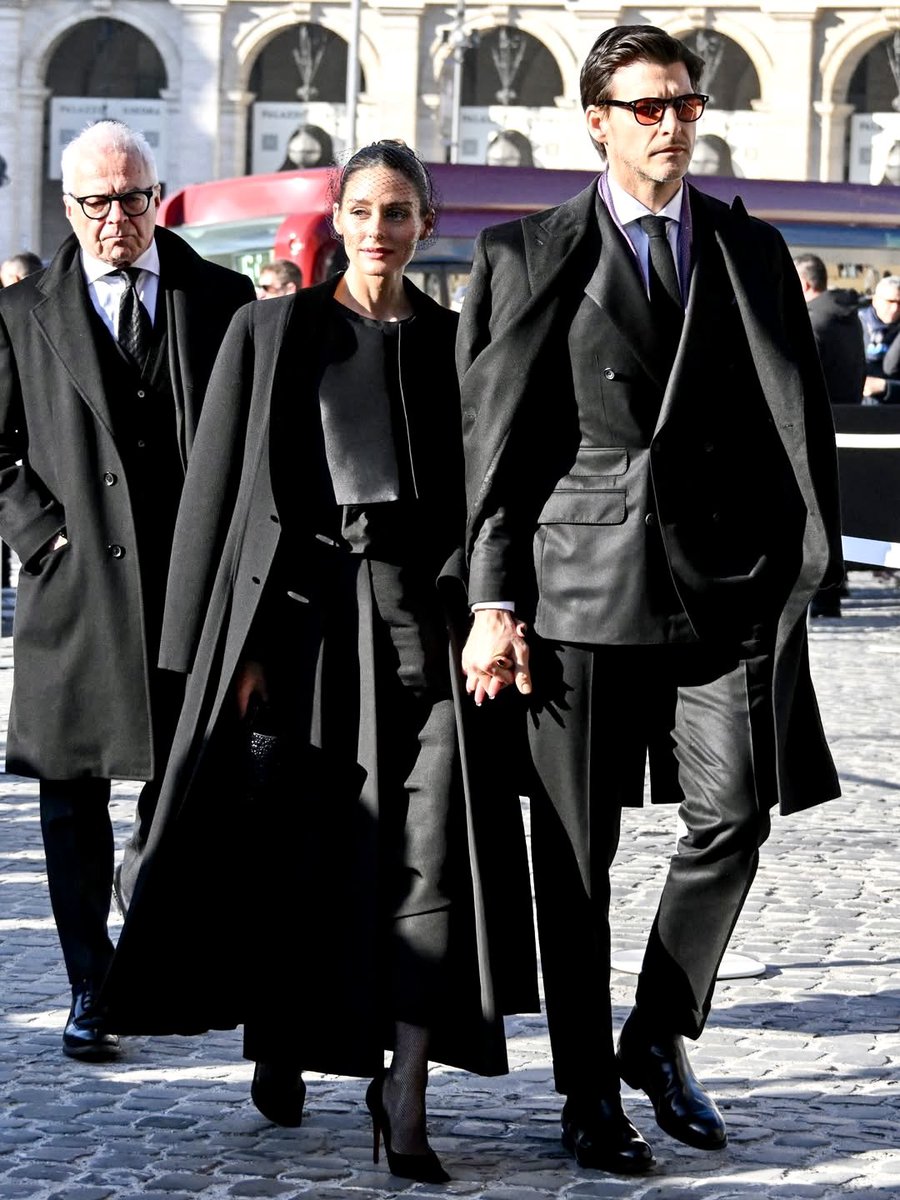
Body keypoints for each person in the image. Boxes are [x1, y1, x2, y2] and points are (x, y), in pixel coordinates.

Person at [100, 140, 537, 1183]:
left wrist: (492, 609)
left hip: (426, 629)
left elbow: (491, 493)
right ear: (338, 220)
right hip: (305, 631)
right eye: (364, 210)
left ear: (428, 224)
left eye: (400, 212)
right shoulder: (274, 330)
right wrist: (234, 653)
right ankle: (285, 1034)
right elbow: (228, 497)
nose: (380, 229)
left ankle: (408, 1093)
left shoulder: (455, 342)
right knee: (304, 858)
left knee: (432, 856)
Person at [458, 24, 842, 1176]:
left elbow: (792, 421)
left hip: (719, 589)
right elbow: (496, 446)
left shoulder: (748, 248)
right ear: (596, 120)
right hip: (576, 588)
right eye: (646, 106)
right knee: (574, 859)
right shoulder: (530, 252)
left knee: (736, 812)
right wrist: (491, 597)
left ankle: (658, 1032)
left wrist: (791, 564)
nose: (671, 122)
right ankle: (588, 1098)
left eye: (684, 102)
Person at [0, 120, 254, 1061]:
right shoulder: (25, 315)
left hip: (191, 590)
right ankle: (87, 984)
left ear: (158, 197)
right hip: (75, 596)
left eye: (134, 199)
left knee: (182, 786)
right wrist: (43, 534)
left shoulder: (223, 300)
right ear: (69, 208)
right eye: (98, 202)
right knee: (71, 796)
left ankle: (148, 939)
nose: (119, 219)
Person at [794, 254, 865, 406]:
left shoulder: (811, 322)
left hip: (822, 417)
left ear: (803, 284)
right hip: (853, 412)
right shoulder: (851, 316)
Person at [860, 275, 900, 401]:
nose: (895, 308)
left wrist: (887, 387)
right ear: (875, 300)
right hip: (857, 411)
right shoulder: (856, 325)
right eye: (890, 301)